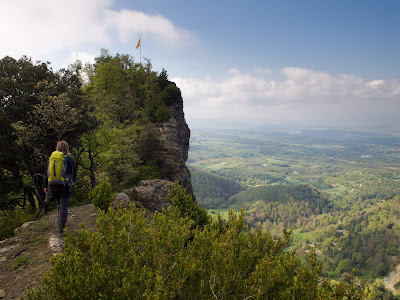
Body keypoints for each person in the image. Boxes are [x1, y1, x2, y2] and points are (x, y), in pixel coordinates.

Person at [44, 140, 76, 237]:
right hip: (64, 185)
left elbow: (47, 173)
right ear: (66, 148)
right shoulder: (68, 159)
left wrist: (46, 186)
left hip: (53, 185)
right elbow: (73, 171)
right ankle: (61, 229)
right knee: (64, 206)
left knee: (59, 205)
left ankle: (61, 224)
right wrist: (73, 181)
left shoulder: (52, 159)